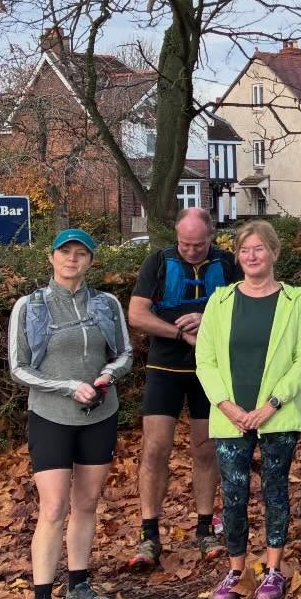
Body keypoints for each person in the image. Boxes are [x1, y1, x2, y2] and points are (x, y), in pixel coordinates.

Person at [7, 228, 133, 599]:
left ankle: (78, 586)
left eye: (81, 254)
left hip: (99, 414)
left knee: (87, 503)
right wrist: (67, 386)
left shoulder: (107, 303)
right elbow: (19, 367)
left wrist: (107, 375)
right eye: (65, 253)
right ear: (52, 257)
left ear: (91, 261)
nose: (72, 260)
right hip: (51, 415)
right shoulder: (31, 306)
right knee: (54, 507)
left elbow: (125, 354)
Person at [195, 220, 301, 599]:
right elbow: (205, 359)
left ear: (274, 253)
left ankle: (274, 569)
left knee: (275, 491)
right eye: (245, 250)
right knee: (232, 495)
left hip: (276, 416)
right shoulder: (220, 301)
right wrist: (228, 407)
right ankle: (235, 570)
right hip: (229, 417)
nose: (251, 256)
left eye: (259, 248)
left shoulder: (295, 301)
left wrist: (270, 405)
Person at [126, 206, 241, 570]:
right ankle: (149, 535)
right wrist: (178, 332)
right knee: (156, 448)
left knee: (205, 451)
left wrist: (208, 321)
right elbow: (137, 315)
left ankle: (206, 528)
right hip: (164, 367)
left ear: (211, 236)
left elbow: (246, 307)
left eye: (199, 244)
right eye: (185, 244)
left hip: (210, 372)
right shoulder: (157, 262)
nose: (191, 250)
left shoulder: (227, 264)